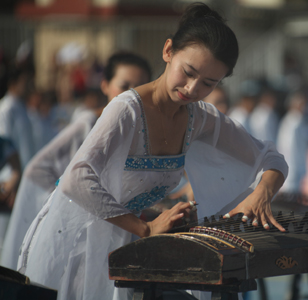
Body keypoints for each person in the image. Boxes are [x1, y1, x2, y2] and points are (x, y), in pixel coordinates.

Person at [18, 4, 288, 300]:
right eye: (188, 72)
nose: (192, 88)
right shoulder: (127, 109)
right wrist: (145, 229)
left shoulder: (199, 118)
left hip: (125, 240)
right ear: (168, 51)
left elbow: (270, 157)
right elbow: (76, 178)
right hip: (77, 241)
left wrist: (262, 192)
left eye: (208, 83)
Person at [0, 52, 151, 270]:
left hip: (120, 234)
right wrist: (77, 201)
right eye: (124, 85)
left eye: (140, 87)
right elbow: (37, 170)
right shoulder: (89, 123)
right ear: (105, 85)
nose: (131, 95)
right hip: (82, 239)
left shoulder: (139, 131)